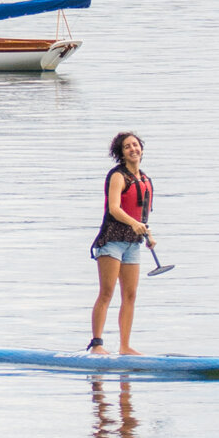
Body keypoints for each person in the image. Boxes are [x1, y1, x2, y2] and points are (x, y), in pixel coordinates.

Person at [87, 131, 153, 355]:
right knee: (107, 292)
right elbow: (114, 208)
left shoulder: (144, 179)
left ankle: (124, 346)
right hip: (112, 241)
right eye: (127, 147)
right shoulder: (117, 176)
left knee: (130, 295)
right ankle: (96, 344)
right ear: (121, 153)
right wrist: (134, 224)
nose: (133, 149)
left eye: (135, 145)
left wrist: (148, 235)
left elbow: (141, 215)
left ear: (141, 149)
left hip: (132, 244)